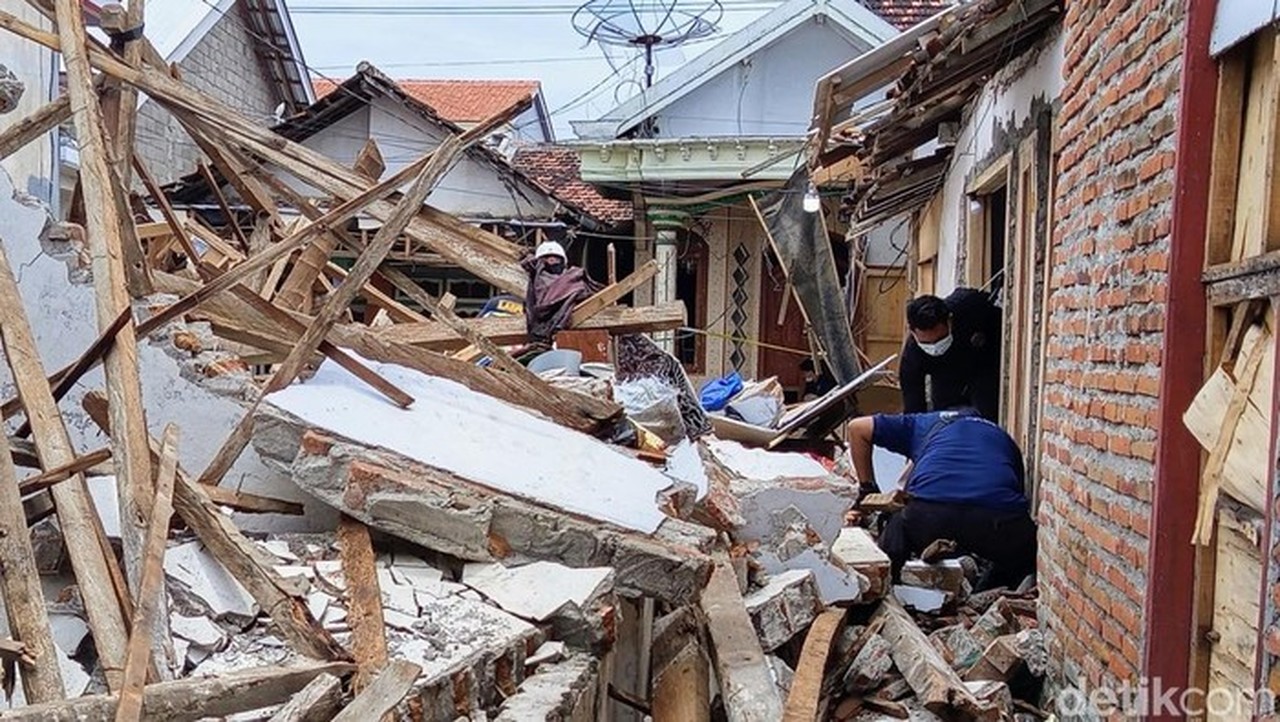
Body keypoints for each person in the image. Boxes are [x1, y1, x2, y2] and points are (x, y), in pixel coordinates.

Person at [845, 407, 1036, 591]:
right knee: (1024, 552)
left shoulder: (922, 424)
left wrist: (867, 489)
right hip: (994, 520)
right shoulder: (1002, 437)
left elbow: (857, 427)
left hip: (930, 513)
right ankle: (988, 592)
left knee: (899, 522)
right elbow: (1015, 496)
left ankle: (884, 588)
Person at [899, 288, 1002, 422]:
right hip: (945, 379)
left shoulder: (970, 305)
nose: (935, 347)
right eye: (926, 343)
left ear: (949, 320)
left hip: (984, 361)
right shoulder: (912, 357)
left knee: (987, 409)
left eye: (940, 339)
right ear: (913, 332)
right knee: (945, 418)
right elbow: (913, 408)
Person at [518, 240, 601, 354]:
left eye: (555, 258)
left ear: (562, 261)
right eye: (547, 258)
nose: (552, 261)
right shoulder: (535, 283)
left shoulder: (574, 278)